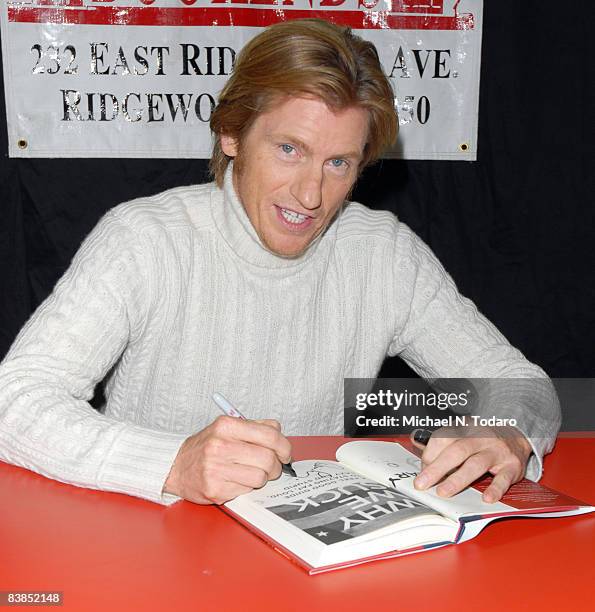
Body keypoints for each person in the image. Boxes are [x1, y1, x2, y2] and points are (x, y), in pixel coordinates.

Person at [0, 19, 560, 507]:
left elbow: (519, 384)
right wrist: (171, 463)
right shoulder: (144, 239)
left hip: (322, 547)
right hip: (158, 542)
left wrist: (506, 432)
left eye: (338, 162)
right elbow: (16, 400)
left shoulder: (383, 254)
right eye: (289, 149)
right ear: (231, 134)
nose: (311, 194)